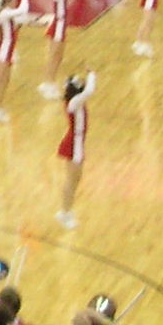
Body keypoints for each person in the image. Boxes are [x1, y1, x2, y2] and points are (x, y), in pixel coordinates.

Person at [39, 0, 87, 97]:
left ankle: (49, 82)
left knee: (58, 57)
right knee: (54, 56)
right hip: (58, 25)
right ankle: (48, 83)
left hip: (61, 24)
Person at [57, 69, 94, 228]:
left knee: (75, 180)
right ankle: (65, 213)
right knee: (71, 181)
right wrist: (92, 74)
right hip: (74, 145)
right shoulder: (74, 102)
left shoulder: (76, 101)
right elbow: (90, 90)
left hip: (77, 143)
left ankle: (66, 211)